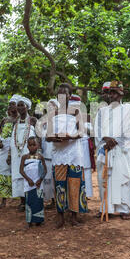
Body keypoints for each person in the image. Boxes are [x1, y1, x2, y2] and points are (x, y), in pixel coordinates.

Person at [95, 81, 130, 220]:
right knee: (105, 178)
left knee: (122, 178)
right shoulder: (102, 111)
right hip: (106, 149)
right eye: (110, 93)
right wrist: (106, 139)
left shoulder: (129, 110)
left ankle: (124, 208)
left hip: (121, 150)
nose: (112, 96)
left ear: (121, 95)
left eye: (115, 93)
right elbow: (97, 130)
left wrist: (116, 141)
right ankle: (106, 208)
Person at [46, 83, 88, 228]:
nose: (63, 95)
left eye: (66, 93)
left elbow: (81, 132)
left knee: (75, 184)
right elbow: (47, 136)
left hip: (74, 154)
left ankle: (74, 215)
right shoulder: (52, 114)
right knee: (59, 185)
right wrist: (55, 137)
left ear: (70, 96)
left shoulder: (75, 112)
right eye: (60, 93)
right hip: (59, 154)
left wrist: (70, 136)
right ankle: (60, 216)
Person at [9, 96, 36, 212]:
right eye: (18, 105)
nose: (19, 107)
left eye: (22, 105)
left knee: (30, 174)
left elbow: (38, 136)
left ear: (27, 107)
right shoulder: (15, 121)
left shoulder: (33, 120)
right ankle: (22, 201)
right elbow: (12, 138)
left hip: (29, 151)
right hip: (17, 153)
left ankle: (31, 200)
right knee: (18, 175)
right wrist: (10, 154)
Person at [0, 97, 19, 208]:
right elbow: (0, 131)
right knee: (3, 172)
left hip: (16, 148)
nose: (10, 106)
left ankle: (20, 200)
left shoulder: (20, 119)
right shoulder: (5, 119)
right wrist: (0, 141)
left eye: (13, 104)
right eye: (9, 104)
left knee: (16, 172)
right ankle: (4, 200)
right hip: (4, 149)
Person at [20, 137, 47, 228]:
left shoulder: (40, 157)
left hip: (38, 184)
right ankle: (29, 221)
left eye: (34, 145)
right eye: (30, 145)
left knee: (38, 201)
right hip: (28, 184)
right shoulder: (24, 157)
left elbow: (45, 170)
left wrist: (40, 180)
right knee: (29, 202)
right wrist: (28, 180)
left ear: (38, 145)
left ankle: (38, 220)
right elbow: (21, 171)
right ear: (27, 146)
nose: (32, 147)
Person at [41, 99, 59, 209]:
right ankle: (52, 200)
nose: (50, 108)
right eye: (49, 106)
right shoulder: (44, 122)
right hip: (46, 154)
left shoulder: (59, 120)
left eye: (53, 106)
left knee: (57, 178)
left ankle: (59, 200)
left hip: (56, 153)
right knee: (48, 179)